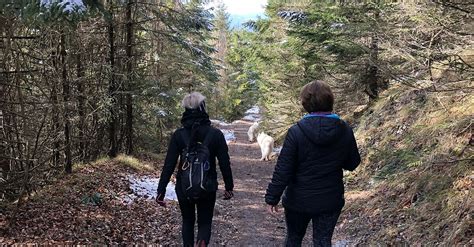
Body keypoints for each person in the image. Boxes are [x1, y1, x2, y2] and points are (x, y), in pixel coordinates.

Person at [265, 80, 361, 247]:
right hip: (330, 200)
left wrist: (272, 197)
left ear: (305, 104)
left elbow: (284, 169)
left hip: (298, 200)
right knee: (323, 242)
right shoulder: (344, 129)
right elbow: (352, 163)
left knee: (293, 240)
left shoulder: (296, 131)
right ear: (330, 100)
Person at [156, 92, 234, 247]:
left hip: (184, 187)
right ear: (203, 108)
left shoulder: (179, 135)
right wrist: (229, 187)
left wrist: (161, 190)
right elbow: (225, 163)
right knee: (205, 221)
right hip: (207, 185)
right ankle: (202, 242)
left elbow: (169, 164)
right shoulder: (215, 134)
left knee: (187, 220)